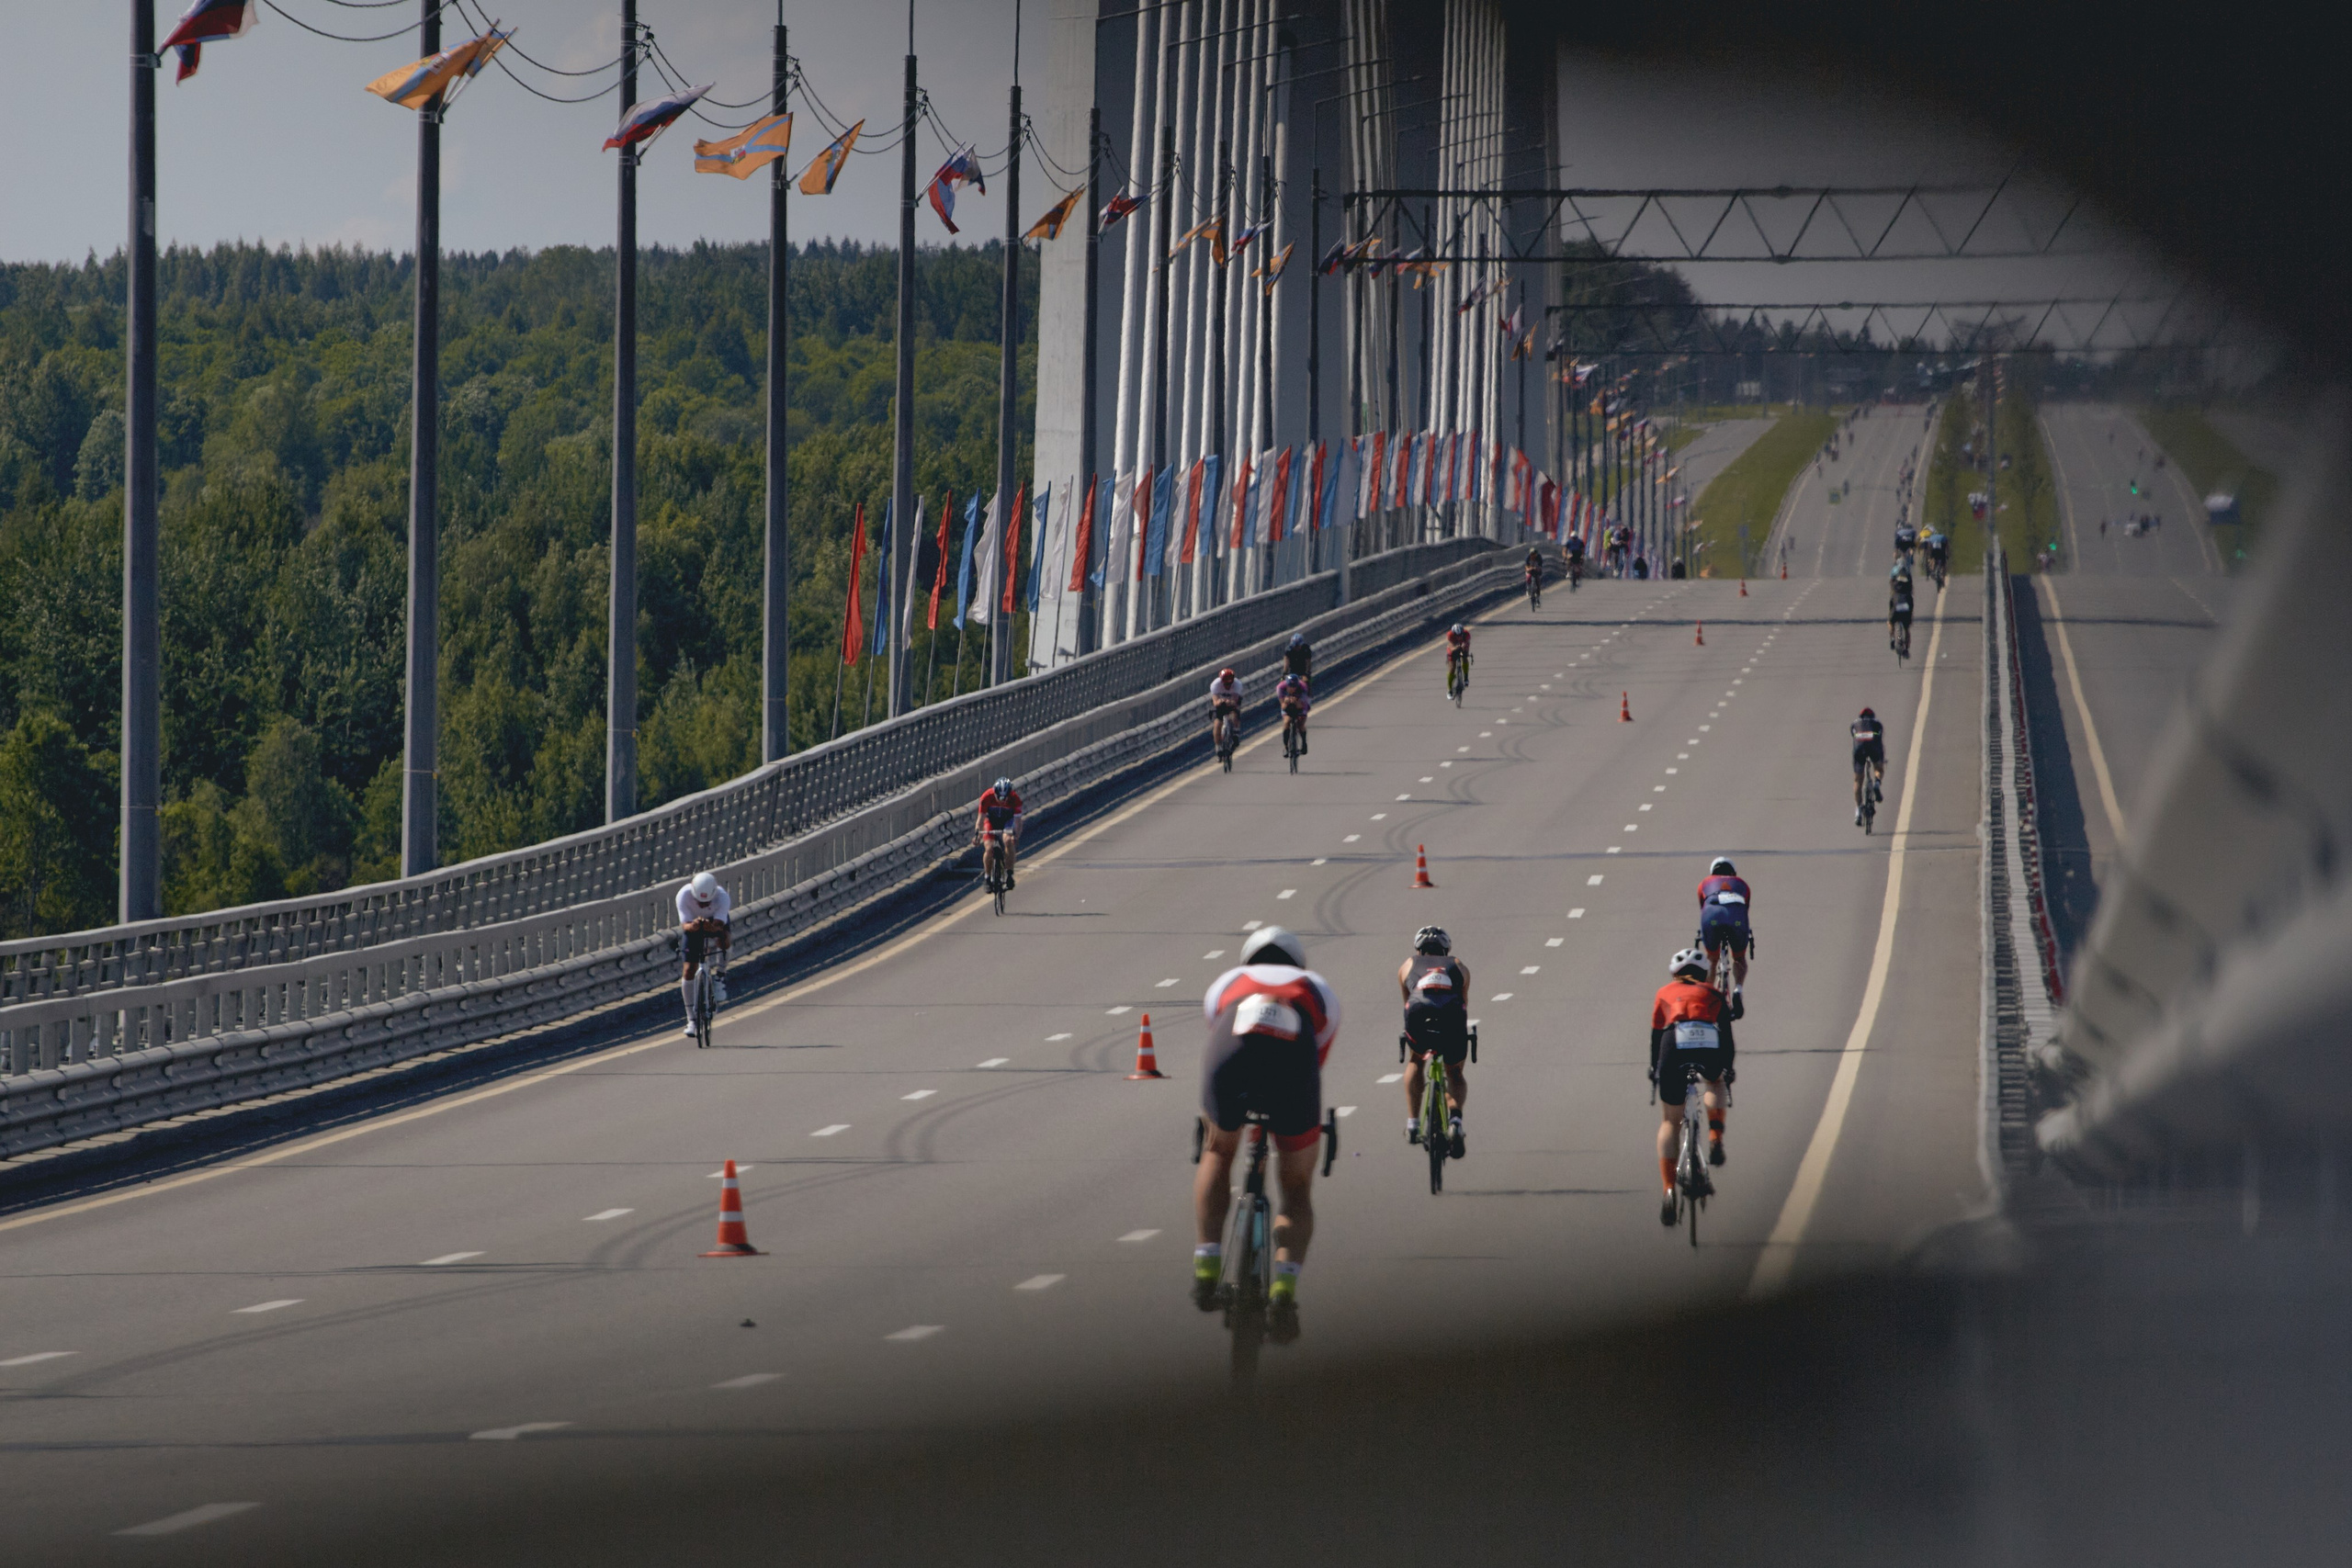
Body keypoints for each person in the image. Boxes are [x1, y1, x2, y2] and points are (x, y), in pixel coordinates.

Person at [1193, 926, 1342, 1340]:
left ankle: (1205, 1264)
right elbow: (1318, 1053)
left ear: (1248, 959)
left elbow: (1216, 1029)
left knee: (1218, 1151)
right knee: (1295, 1187)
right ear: (1298, 964)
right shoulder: (1317, 987)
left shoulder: (1226, 981)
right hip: (1292, 1066)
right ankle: (1283, 1290)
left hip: (1231, 1056)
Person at [1651, 947, 1736, 1226]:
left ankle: (1667, 1190)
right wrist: (1728, 1067)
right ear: (1703, 973)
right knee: (1715, 1082)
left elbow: (1656, 1036)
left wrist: (1655, 1069)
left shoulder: (1664, 992)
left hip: (1673, 1045)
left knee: (1670, 1121)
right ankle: (1714, 1137)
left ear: (1675, 973)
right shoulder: (1713, 993)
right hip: (1708, 1044)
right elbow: (1727, 1036)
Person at [1396, 925, 1472, 1154]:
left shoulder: (1407, 965)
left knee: (1416, 1061)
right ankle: (1456, 1121)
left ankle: (1413, 1124)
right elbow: (1464, 1004)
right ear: (1446, 949)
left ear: (1418, 950)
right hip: (1451, 1017)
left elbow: (1406, 1004)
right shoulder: (1458, 965)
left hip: (1419, 1014)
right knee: (1455, 1073)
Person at [1694, 857, 1752, 1016]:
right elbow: (1745, 910)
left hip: (1711, 916)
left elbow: (1703, 907)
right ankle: (1738, 990)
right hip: (1737, 918)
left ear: (1712, 872)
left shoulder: (1705, 883)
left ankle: (1707, 996)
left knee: (1712, 959)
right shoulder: (1742, 884)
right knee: (1739, 958)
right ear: (1734, 872)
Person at [676, 871, 731, 1037]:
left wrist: (711, 927)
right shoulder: (683, 895)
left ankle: (720, 975)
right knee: (688, 970)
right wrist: (693, 926)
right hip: (693, 926)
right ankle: (691, 1020)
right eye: (699, 902)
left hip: (715, 924)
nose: (702, 905)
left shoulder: (722, 897)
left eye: (706, 902)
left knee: (724, 940)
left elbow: (720, 925)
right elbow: (684, 925)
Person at [976, 775, 1023, 886]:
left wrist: (1015, 836)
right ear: (995, 793)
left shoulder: (1015, 799)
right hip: (990, 821)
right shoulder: (986, 797)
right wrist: (977, 835)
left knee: (1008, 841)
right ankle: (987, 877)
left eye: (1005, 798)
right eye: (999, 798)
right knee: (989, 847)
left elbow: (1018, 823)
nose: (1002, 801)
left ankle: (1009, 874)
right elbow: (980, 819)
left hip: (1007, 821)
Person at [1851, 706, 1886, 822]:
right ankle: (1877, 783)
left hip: (1859, 749)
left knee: (1858, 780)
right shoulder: (1877, 723)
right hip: (1873, 748)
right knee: (1879, 768)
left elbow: (1854, 738)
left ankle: (1858, 811)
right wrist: (1881, 761)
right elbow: (1880, 742)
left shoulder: (1855, 723)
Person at [1274, 670, 1312, 755]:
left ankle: (1304, 743)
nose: (1292, 688)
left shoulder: (1303, 687)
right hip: (1287, 706)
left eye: (1294, 686)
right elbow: (1283, 706)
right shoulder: (1280, 688)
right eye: (1290, 686)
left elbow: (1302, 706)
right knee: (1287, 722)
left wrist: (1296, 702)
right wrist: (1287, 702)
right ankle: (1286, 746)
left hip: (1301, 705)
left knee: (1300, 723)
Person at [1207, 667, 1243, 752]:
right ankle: (1218, 746)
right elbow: (1215, 702)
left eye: (1230, 684)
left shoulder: (1237, 685)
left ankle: (1235, 733)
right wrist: (1220, 701)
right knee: (1217, 723)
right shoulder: (1215, 685)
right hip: (1220, 704)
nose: (1228, 686)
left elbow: (1235, 701)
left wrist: (1230, 702)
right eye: (1226, 684)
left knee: (1234, 714)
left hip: (1232, 702)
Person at [1444, 622, 1473, 693]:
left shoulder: (1466, 634)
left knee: (1465, 657)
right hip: (1453, 648)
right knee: (1452, 668)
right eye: (1457, 635)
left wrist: (1464, 651)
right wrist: (1456, 648)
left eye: (1460, 635)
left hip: (1463, 646)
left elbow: (1467, 644)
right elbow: (1451, 647)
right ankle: (1449, 689)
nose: (1459, 637)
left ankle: (1466, 677)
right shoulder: (1450, 635)